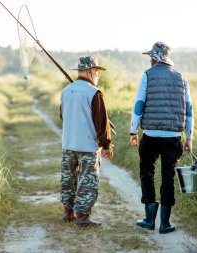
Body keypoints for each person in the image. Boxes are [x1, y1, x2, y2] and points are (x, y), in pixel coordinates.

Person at [129, 42, 194, 234]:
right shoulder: (182, 78)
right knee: (168, 178)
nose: (149, 59)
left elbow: (139, 104)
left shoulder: (147, 75)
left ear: (155, 58)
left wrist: (133, 131)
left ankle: (150, 220)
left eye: (151, 57)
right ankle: (165, 224)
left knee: (146, 173)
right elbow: (189, 111)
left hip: (150, 135)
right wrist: (189, 138)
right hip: (173, 138)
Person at [60, 56, 113, 227]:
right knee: (88, 181)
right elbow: (102, 123)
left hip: (68, 144)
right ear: (90, 71)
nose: (98, 75)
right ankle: (82, 217)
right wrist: (106, 144)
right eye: (97, 72)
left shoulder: (66, 91)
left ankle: (68, 213)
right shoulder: (94, 93)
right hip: (88, 146)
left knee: (69, 179)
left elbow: (63, 116)